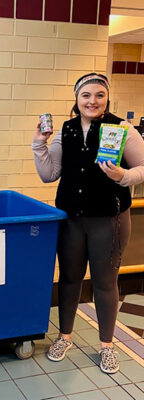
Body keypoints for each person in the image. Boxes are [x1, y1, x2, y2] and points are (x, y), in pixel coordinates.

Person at [31, 73, 144, 374]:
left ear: (107, 98)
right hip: (71, 220)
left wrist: (125, 177)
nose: (92, 101)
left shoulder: (120, 129)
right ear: (77, 99)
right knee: (69, 279)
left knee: (106, 282)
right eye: (86, 95)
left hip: (109, 219)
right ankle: (64, 336)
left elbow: (143, 167)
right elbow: (49, 174)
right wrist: (38, 145)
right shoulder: (65, 130)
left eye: (99, 95)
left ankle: (107, 345)